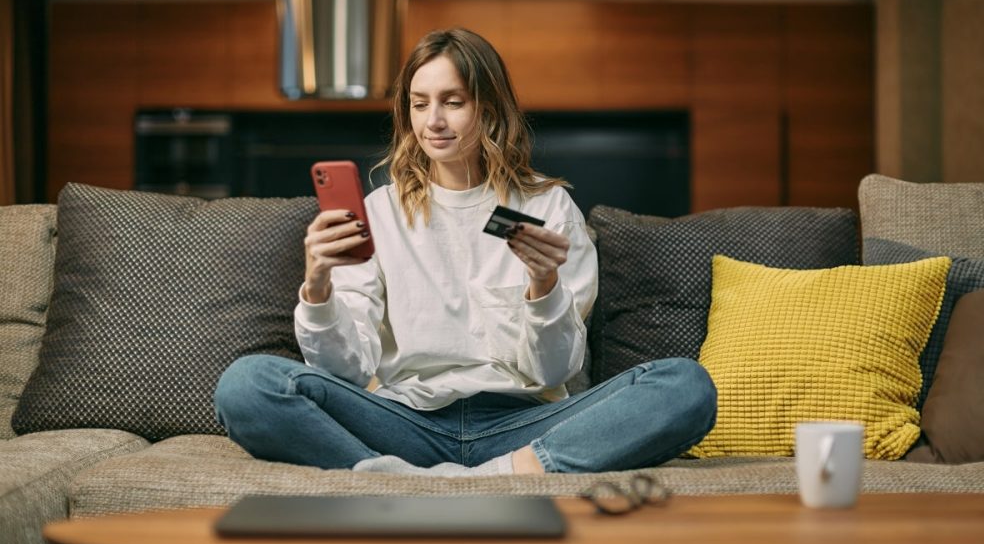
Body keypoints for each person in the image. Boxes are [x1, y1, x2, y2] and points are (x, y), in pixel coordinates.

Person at [214, 28, 717, 476]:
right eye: (419, 103)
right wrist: (318, 286)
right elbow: (344, 371)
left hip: (525, 422)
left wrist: (544, 288)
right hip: (406, 421)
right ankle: (386, 475)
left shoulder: (548, 205)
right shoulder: (381, 212)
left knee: (685, 386)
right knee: (247, 384)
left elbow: (552, 373)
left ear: (489, 108)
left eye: (452, 101)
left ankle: (510, 470)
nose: (433, 121)